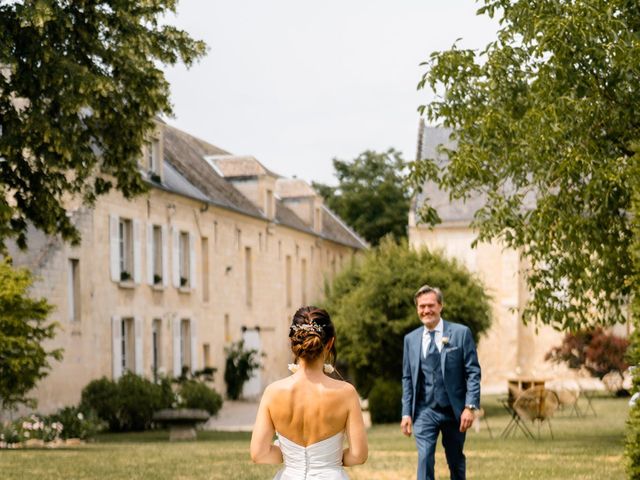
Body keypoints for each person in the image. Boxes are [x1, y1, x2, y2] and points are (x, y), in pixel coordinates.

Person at [250, 306, 368, 479]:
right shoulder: (346, 393)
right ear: (330, 343)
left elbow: (259, 454)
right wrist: (330, 459)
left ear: (293, 343)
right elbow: (359, 455)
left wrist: (292, 457)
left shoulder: (272, 392)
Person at [400, 285, 481, 480]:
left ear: (440, 306)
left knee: (455, 461)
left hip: (454, 411)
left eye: (430, 305)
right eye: (421, 306)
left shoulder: (461, 333)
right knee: (425, 458)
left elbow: (473, 372)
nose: (426, 310)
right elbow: (408, 378)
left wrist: (470, 407)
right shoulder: (410, 339)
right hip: (424, 411)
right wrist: (406, 413)